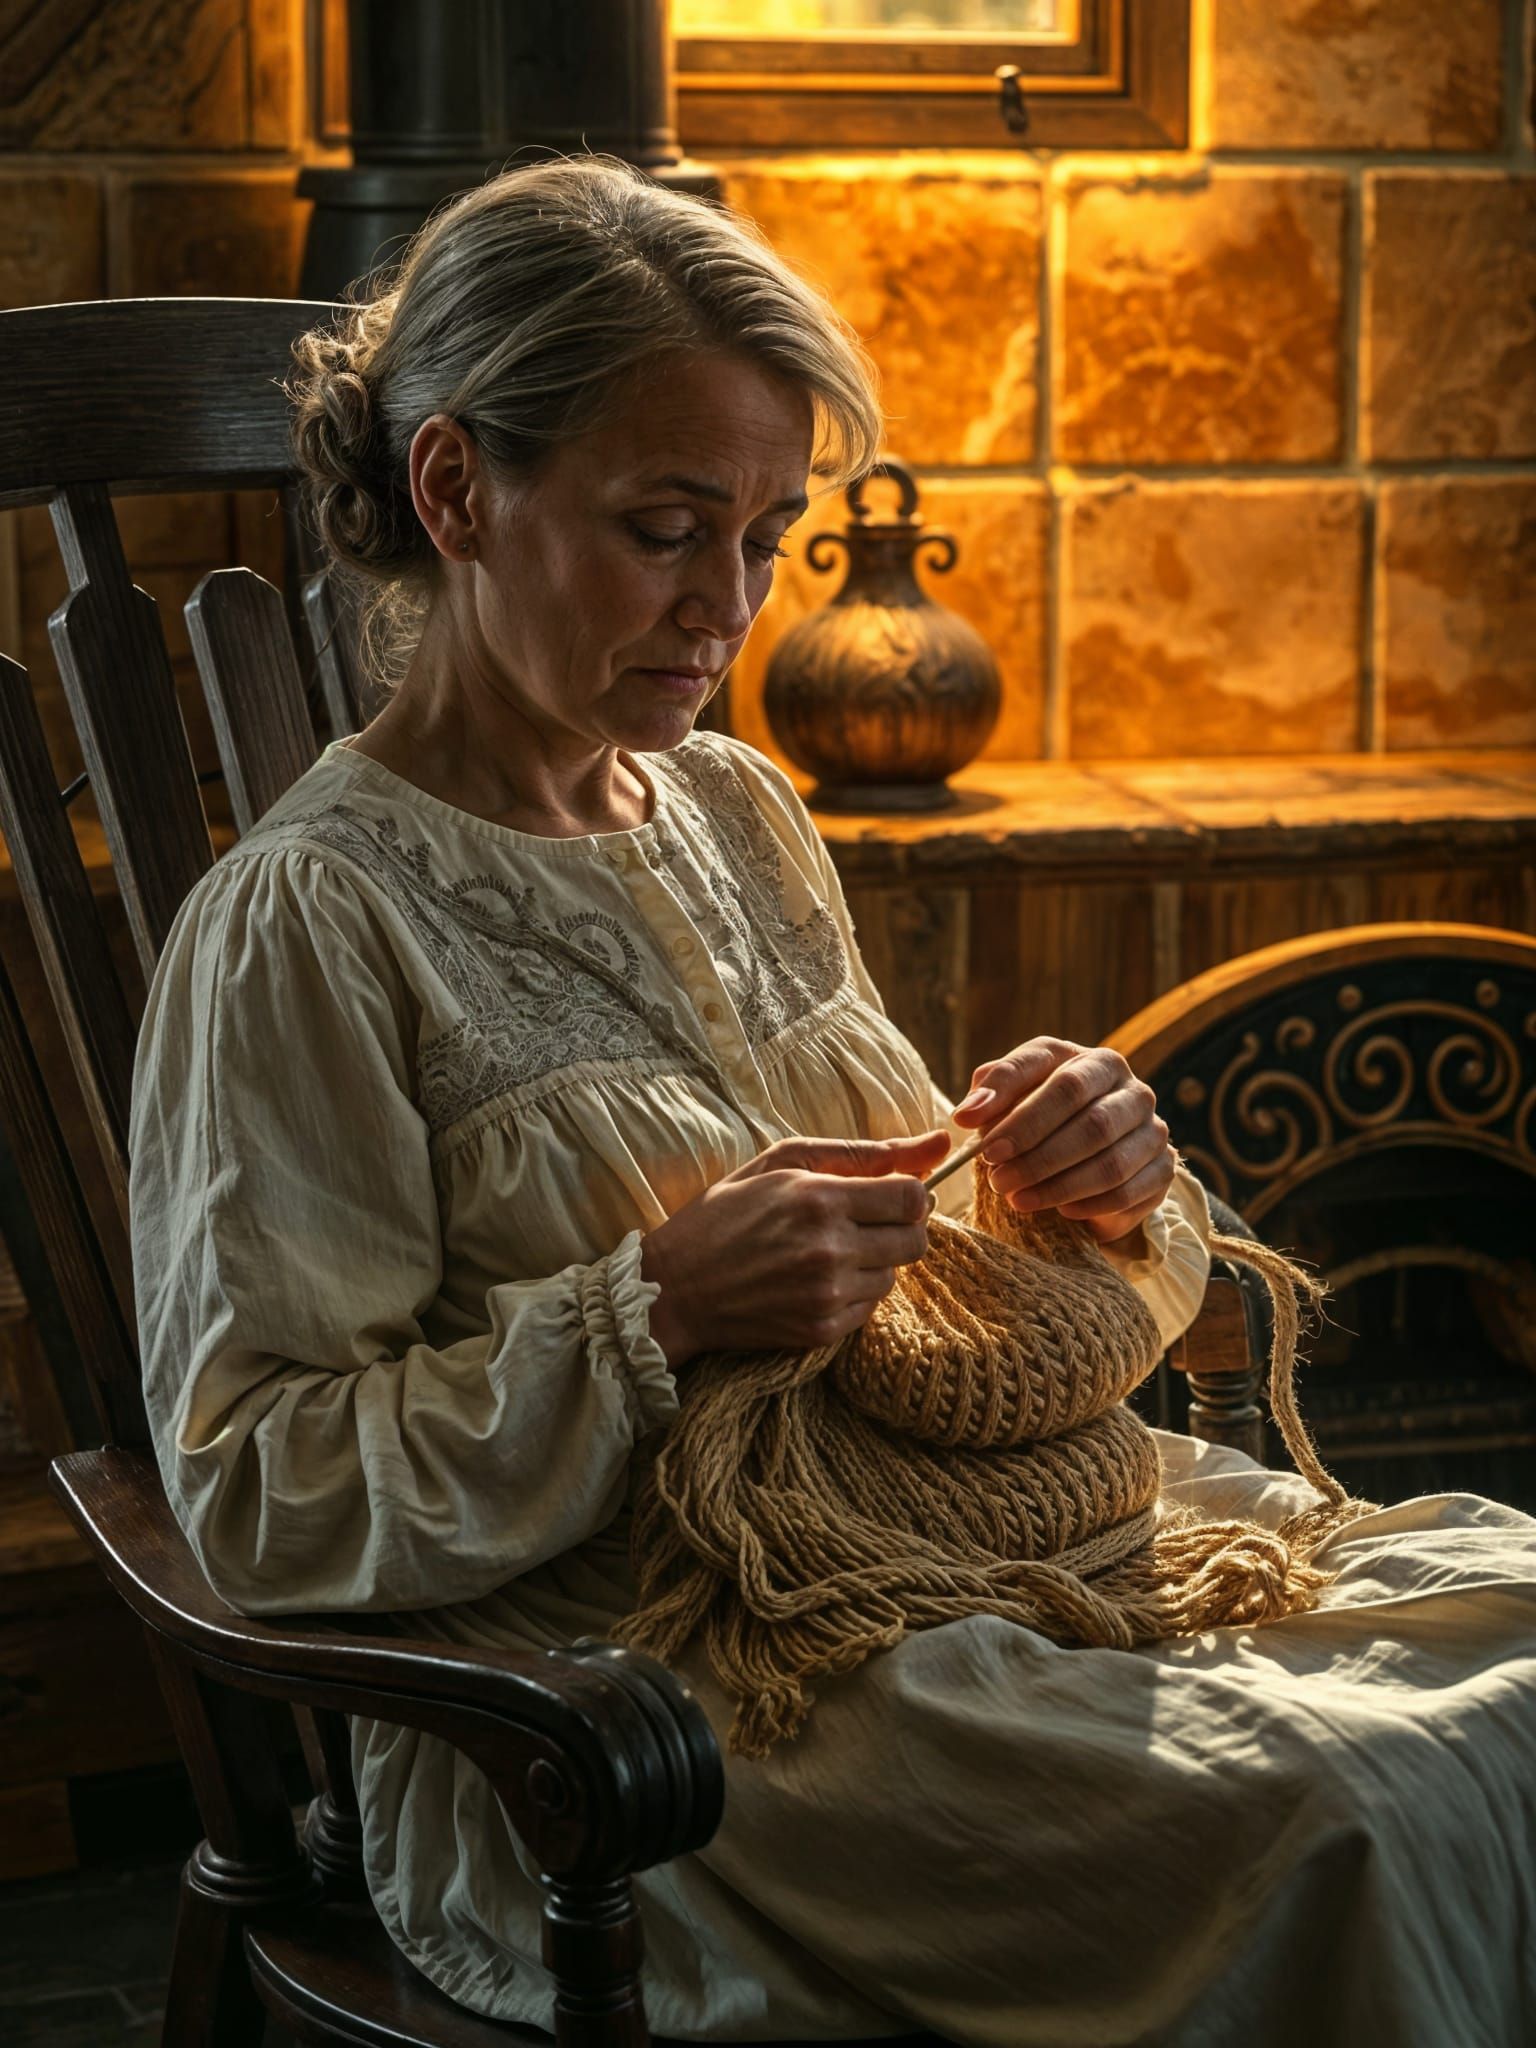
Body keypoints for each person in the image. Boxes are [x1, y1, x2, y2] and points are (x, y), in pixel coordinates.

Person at [130, 156, 1536, 2047]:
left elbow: (929, 1281)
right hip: (649, 1712)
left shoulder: (736, 809)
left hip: (953, 1546)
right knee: (1346, 1814)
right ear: (456, 488)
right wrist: (659, 1311)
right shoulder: (309, 921)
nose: (726, 606)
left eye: (768, 536)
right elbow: (251, 1494)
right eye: (663, 528)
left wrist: (1088, 1186)